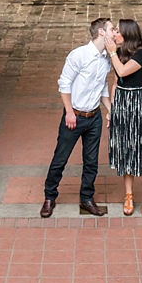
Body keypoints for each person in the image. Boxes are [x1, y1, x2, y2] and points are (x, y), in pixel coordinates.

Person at [41, 18, 115, 218]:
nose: (115, 32)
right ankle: (49, 196)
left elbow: (102, 87)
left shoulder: (107, 58)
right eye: (112, 29)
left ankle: (87, 198)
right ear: (101, 32)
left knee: (91, 161)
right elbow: (64, 84)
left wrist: (110, 109)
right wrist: (70, 112)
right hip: (74, 116)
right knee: (60, 158)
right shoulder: (79, 55)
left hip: (94, 117)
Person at [104, 19, 142, 217]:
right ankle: (128, 195)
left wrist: (111, 52)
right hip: (123, 103)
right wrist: (111, 109)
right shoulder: (120, 53)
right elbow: (116, 82)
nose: (114, 34)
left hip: (140, 104)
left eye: (117, 31)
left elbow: (123, 71)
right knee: (125, 149)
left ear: (127, 34)